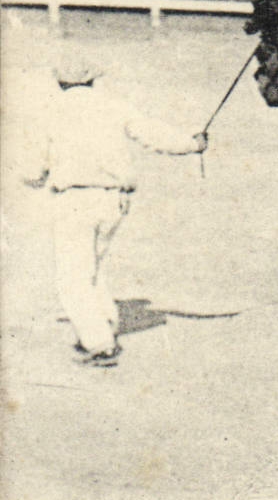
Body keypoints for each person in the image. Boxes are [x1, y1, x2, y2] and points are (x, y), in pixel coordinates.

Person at [21, 57, 207, 367]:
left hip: (73, 201)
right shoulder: (114, 105)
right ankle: (103, 326)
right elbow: (154, 135)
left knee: (73, 277)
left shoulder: (49, 111)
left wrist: (32, 178)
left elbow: (32, 168)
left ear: (59, 82)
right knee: (93, 267)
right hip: (113, 202)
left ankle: (99, 344)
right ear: (93, 79)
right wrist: (192, 144)